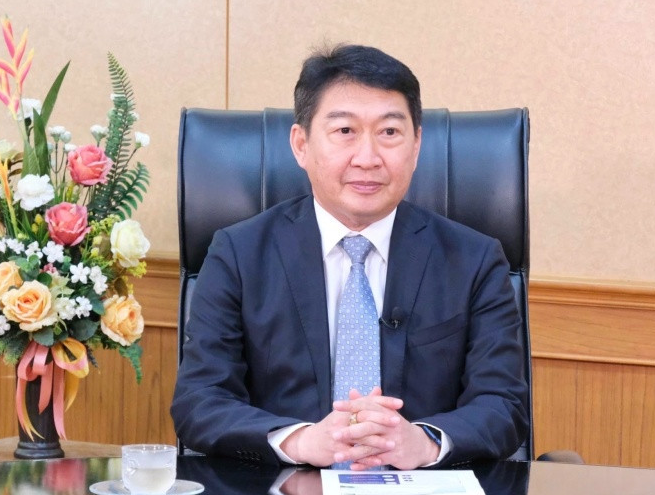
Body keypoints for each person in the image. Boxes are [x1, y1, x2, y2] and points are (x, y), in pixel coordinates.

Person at [171, 44, 529, 470]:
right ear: (301, 144)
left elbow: (504, 405)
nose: (368, 158)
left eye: (389, 132)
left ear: (416, 145)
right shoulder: (238, 254)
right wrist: (300, 441)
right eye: (345, 131)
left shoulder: (474, 260)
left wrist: (425, 442)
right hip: (280, 494)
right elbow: (200, 401)